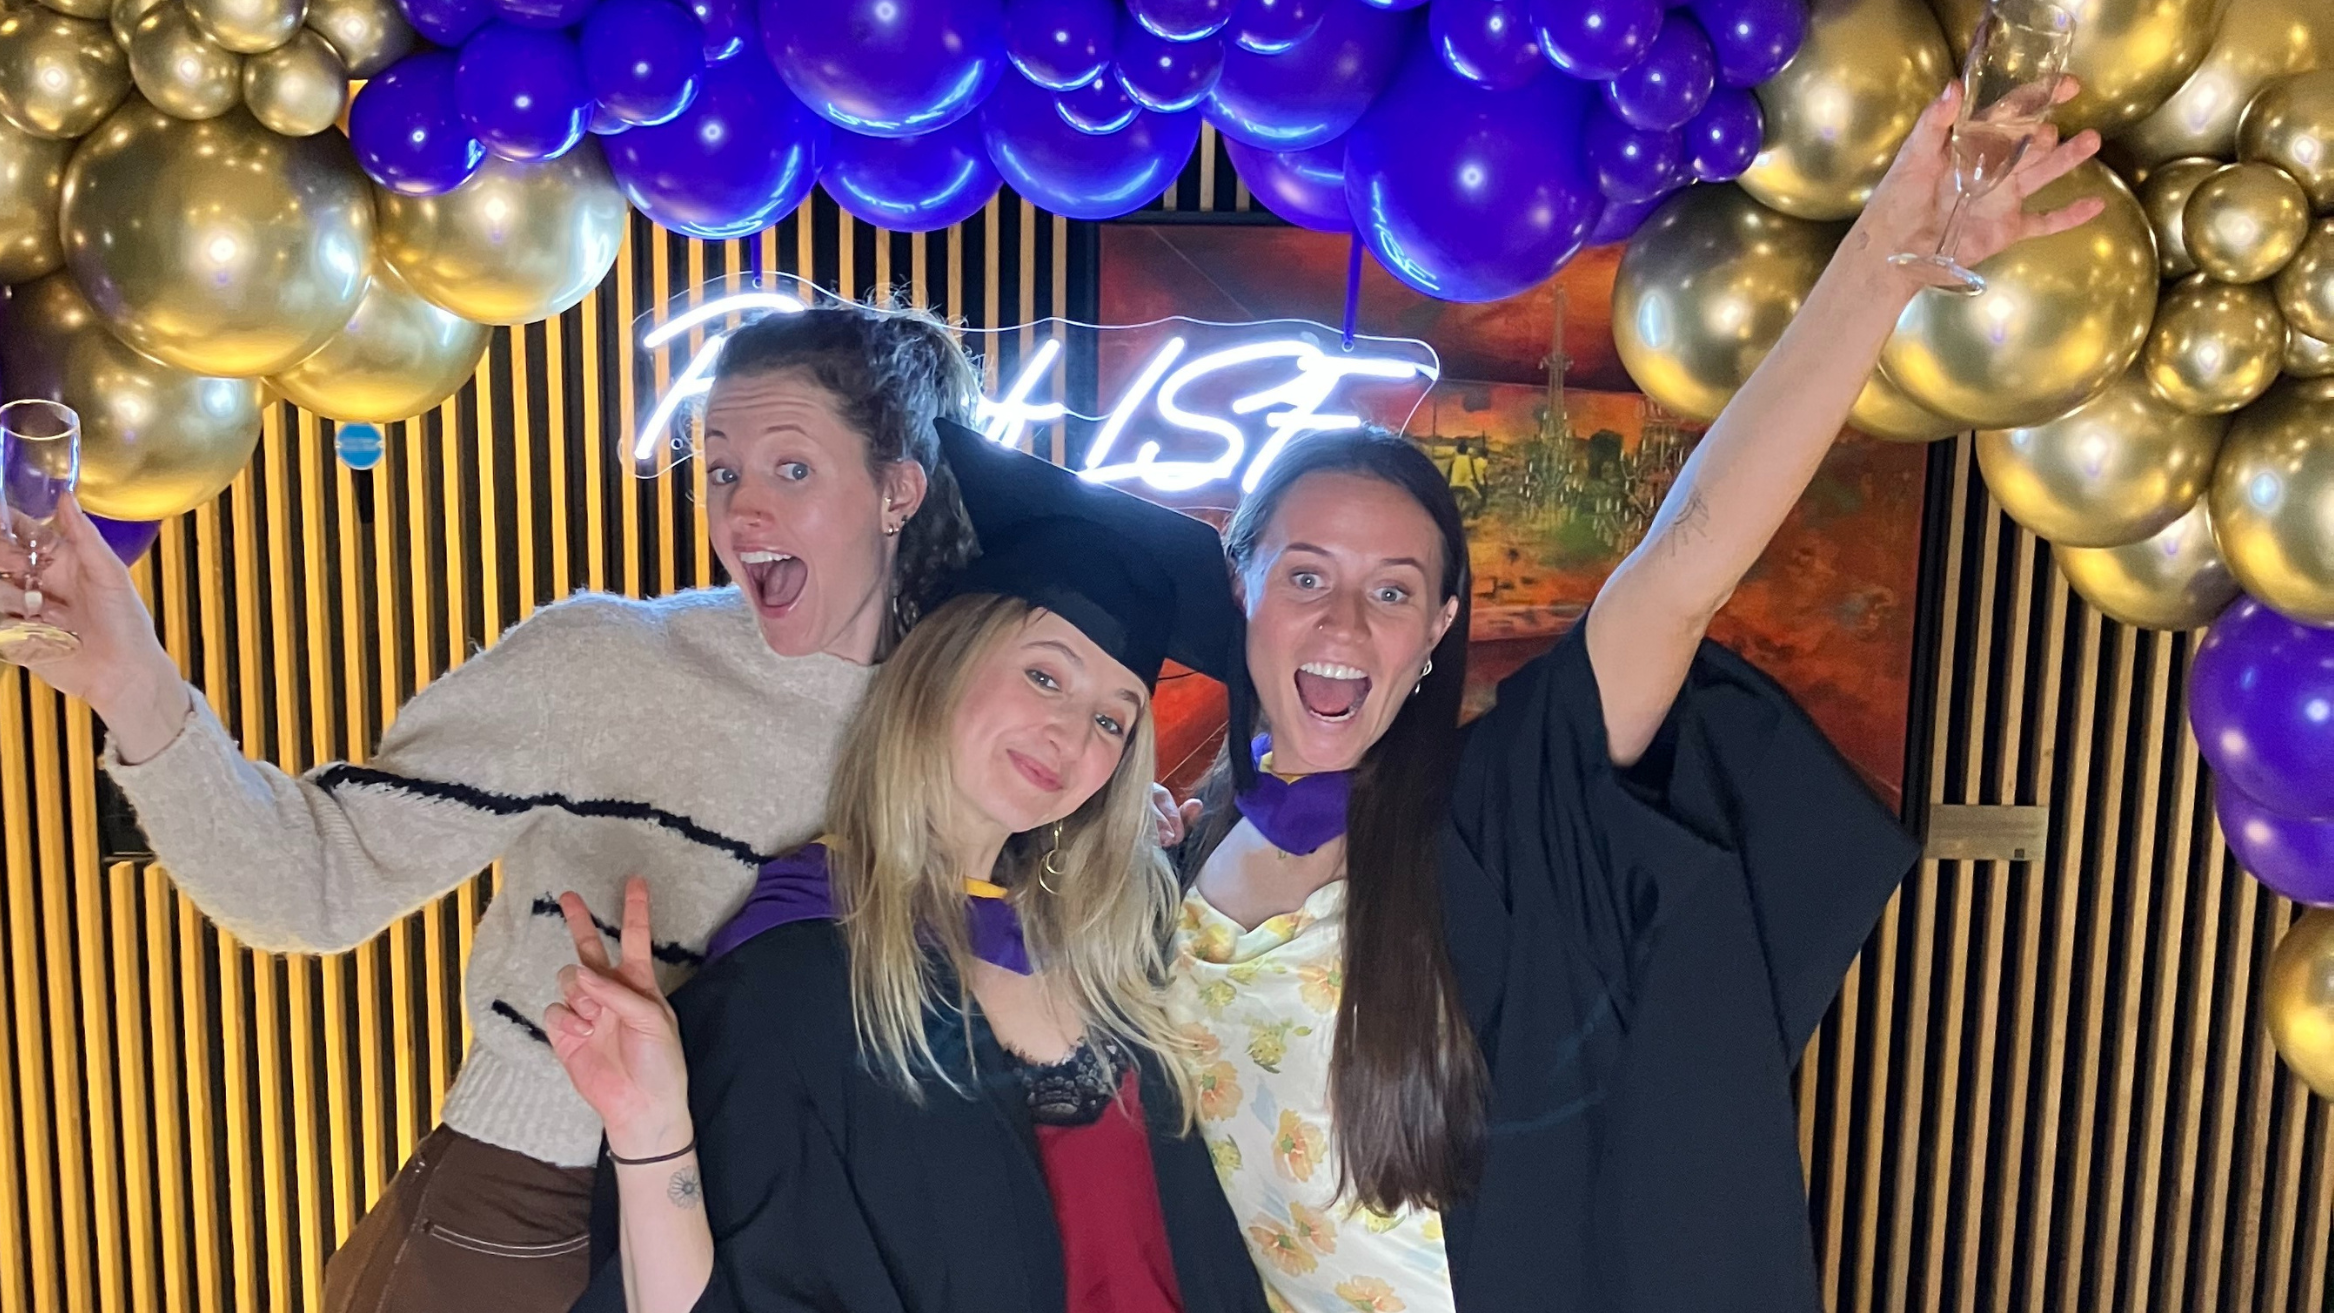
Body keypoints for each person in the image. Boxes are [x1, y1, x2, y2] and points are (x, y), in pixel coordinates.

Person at [1169, 81, 2106, 1312]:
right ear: (1244, 586)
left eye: (1394, 591)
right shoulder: (1172, 845)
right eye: (1306, 574)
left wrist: (1879, 262)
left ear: (1443, 624)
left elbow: (1678, 572)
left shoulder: (1495, 811)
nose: (1345, 623)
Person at [0, 302, 990, 1312]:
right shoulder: (604, 662)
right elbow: (311, 881)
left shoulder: (984, 724)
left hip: (804, 1243)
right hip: (533, 1213)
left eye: (791, 468)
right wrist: (134, 686)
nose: (740, 511)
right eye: (721, 467)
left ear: (896, 491)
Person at [549, 418, 1268, 1313]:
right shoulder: (800, 965)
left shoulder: (1115, 947)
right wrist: (652, 1133)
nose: (1072, 734)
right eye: (1045, 676)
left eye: (1113, 719)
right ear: (945, 664)